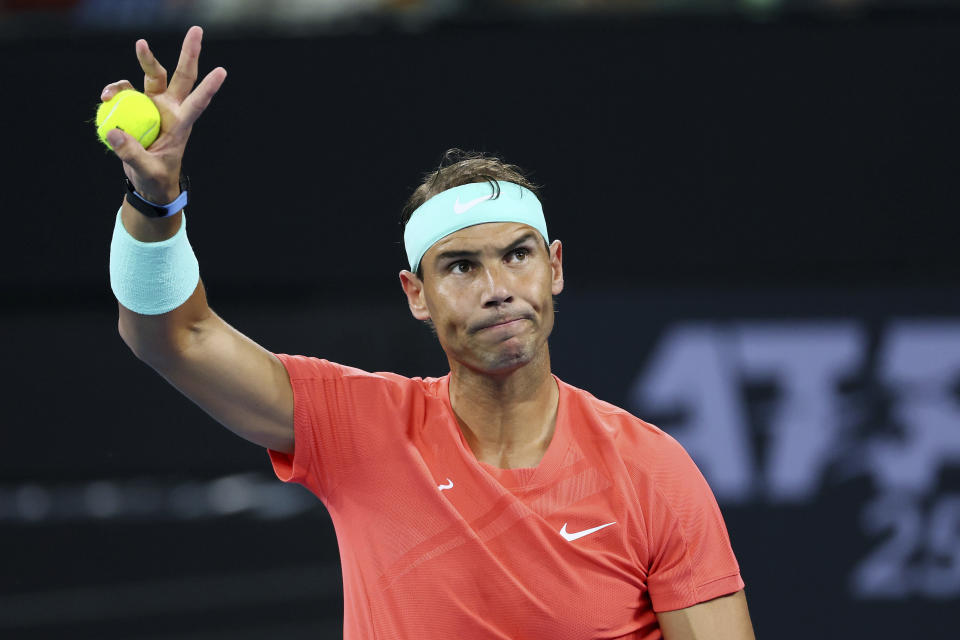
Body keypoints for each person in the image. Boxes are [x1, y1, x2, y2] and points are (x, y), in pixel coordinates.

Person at [104, 26, 756, 640]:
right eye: (462, 266)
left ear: (553, 267)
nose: (498, 286)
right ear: (417, 295)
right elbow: (173, 337)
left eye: (518, 255)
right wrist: (154, 202)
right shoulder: (361, 428)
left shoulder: (651, 470)